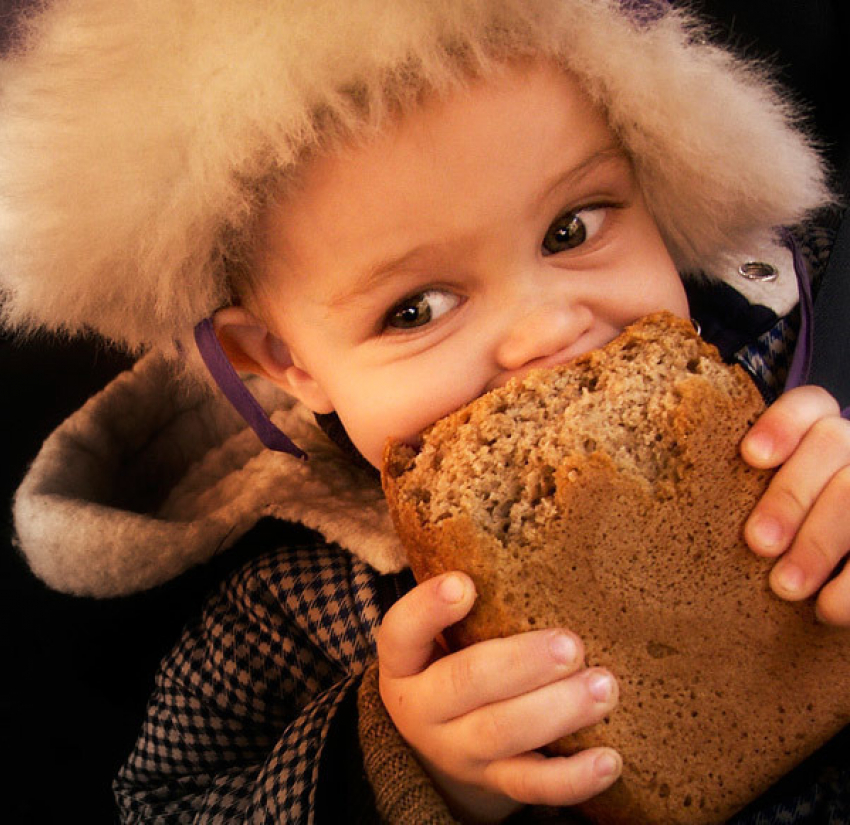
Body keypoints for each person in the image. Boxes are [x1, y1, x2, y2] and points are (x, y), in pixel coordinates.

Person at [1, 0, 848, 822]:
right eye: (415, 310)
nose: (545, 328)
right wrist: (409, 772)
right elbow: (164, 802)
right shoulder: (278, 622)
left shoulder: (805, 395)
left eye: (572, 229)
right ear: (285, 362)